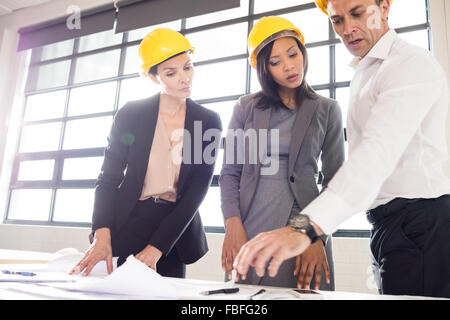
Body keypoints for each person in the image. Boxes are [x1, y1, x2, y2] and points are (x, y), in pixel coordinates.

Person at [234, 0, 450, 298]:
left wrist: (305, 230)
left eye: (358, 14)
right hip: (387, 223)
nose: (347, 29)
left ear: (384, 7)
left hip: (419, 221)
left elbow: (372, 158)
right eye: (337, 20)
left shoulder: (408, 65)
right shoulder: (366, 71)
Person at [70, 28, 222, 278]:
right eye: (171, 73)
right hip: (130, 220)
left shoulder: (207, 121)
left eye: (188, 67)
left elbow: (197, 189)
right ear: (153, 78)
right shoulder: (131, 114)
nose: (185, 78)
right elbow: (108, 178)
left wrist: (158, 247)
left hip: (173, 229)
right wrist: (102, 234)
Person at [220, 16, 345, 290]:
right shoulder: (245, 108)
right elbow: (230, 172)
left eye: (293, 54)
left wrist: (313, 234)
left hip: (302, 228)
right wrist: (233, 225)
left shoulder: (328, 109)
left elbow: (335, 183)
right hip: (249, 226)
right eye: (275, 62)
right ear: (264, 69)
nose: (289, 66)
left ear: (303, 52)